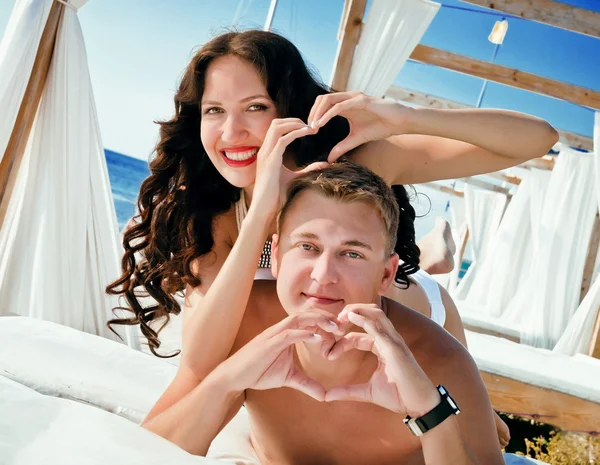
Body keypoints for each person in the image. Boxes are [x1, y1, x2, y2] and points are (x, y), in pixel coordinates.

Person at [106, 28, 555, 441]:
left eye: (255, 107)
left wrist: (404, 116)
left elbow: (536, 139)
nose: (231, 131)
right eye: (214, 110)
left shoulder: (349, 163)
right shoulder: (215, 208)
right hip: (325, 328)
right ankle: (436, 253)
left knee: (489, 432)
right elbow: (202, 362)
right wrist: (263, 209)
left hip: (413, 309)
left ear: (290, 110)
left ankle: (435, 259)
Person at [141, 162, 505, 464]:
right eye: (308, 246)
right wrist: (228, 379)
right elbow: (147, 451)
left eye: (352, 253)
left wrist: (432, 411)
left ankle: (433, 249)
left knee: (426, 279)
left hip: (423, 302)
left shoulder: (442, 362)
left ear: (385, 275)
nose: (322, 275)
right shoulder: (242, 321)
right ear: (278, 258)